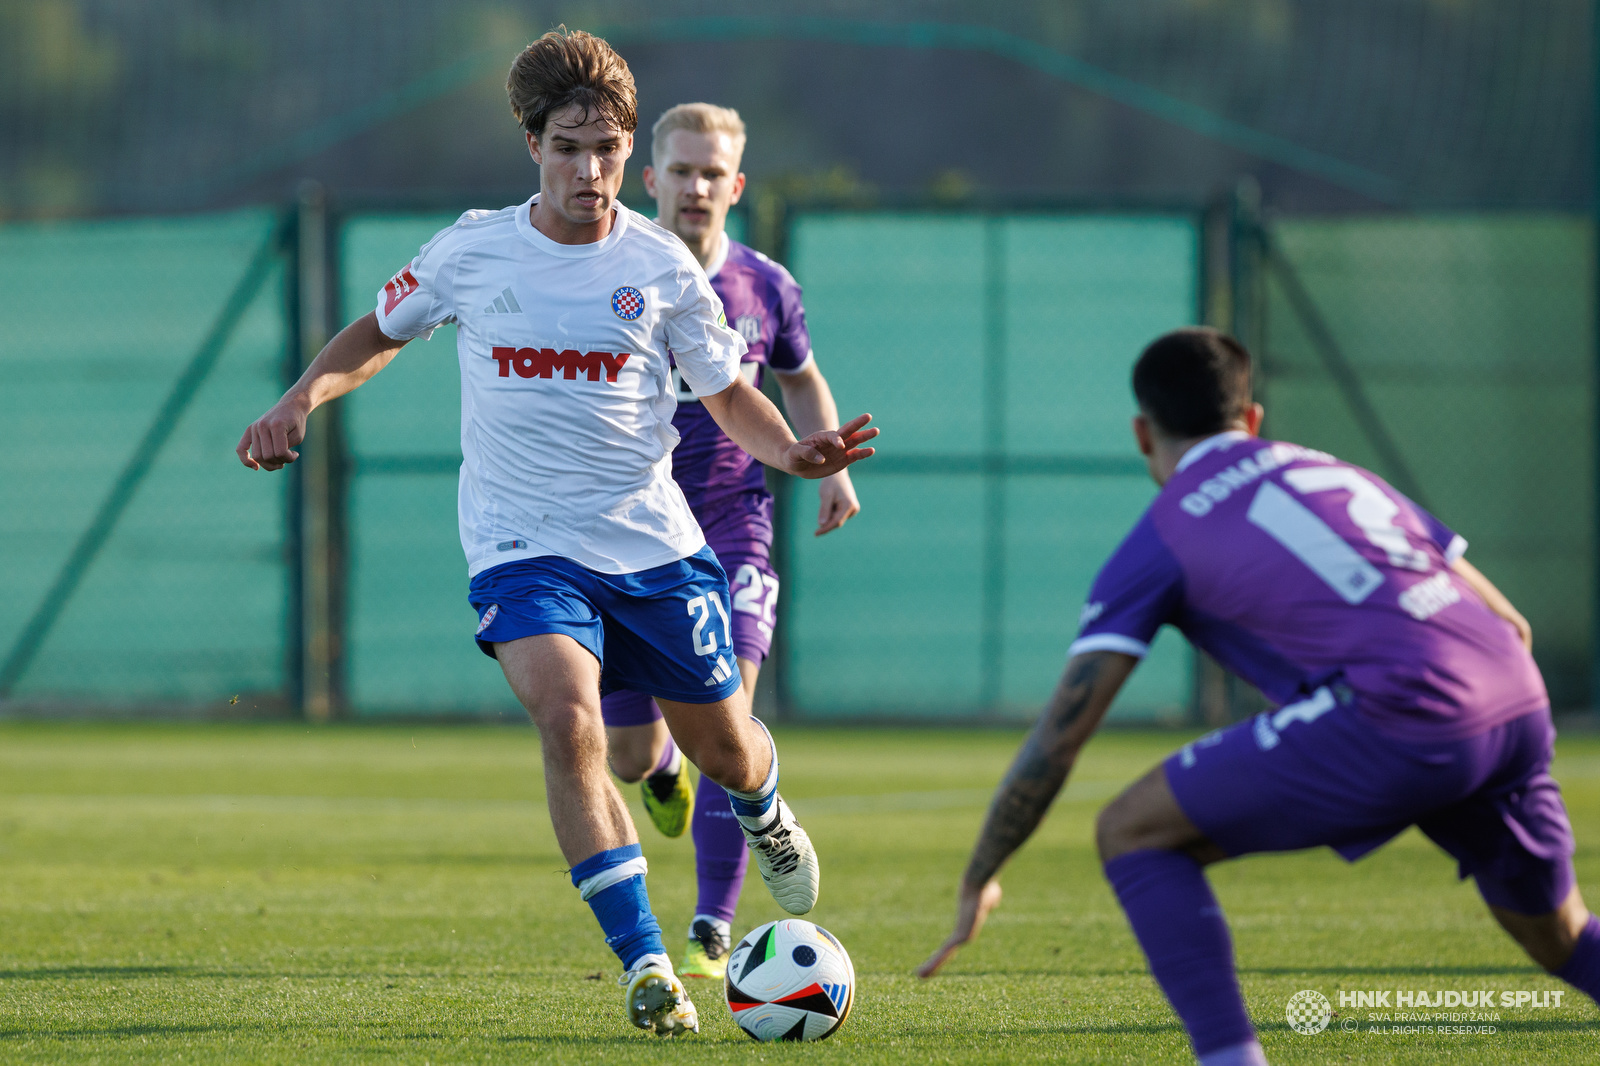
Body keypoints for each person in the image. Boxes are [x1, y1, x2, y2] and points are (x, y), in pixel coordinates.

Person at [235, 28, 876, 1038]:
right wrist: (301, 398)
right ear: (531, 143)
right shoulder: (472, 248)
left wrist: (796, 454)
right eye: (570, 147)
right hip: (523, 545)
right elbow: (376, 331)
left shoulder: (662, 266)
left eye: (610, 148)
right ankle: (648, 964)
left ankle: (762, 804)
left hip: (653, 547)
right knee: (571, 723)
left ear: (630, 150)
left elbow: (730, 392)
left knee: (723, 749)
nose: (592, 169)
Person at [918, 327, 1597, 1064]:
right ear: (1252, 419)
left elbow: (1060, 737)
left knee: (1131, 833)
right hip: (1514, 693)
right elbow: (1511, 624)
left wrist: (981, 874)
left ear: (1142, 432)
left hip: (1402, 708)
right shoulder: (1335, 472)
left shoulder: (1158, 539)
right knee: (1556, 932)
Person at [597, 102, 862, 981]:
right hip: (632, 536)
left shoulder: (764, 286)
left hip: (733, 526)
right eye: (682, 170)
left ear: (735, 186)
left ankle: (712, 930)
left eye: (714, 173)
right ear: (652, 180)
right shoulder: (615, 273)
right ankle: (663, 764)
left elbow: (802, 378)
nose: (697, 187)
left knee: (730, 720)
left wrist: (829, 466)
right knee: (631, 758)